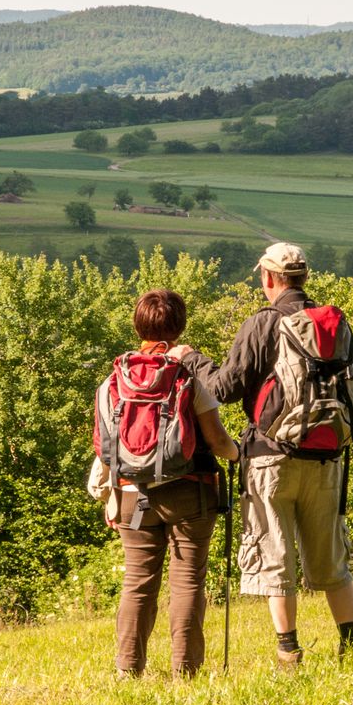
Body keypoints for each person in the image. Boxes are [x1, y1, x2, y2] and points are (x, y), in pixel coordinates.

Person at [173, 243, 353, 666]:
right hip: (327, 456)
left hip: (270, 458)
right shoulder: (335, 324)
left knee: (275, 552)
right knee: (331, 554)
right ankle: (350, 646)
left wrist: (192, 359)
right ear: (303, 278)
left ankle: (289, 651)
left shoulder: (263, 323)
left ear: (268, 278)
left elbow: (224, 389)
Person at [95, 289, 239, 678]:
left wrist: (109, 493)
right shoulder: (189, 378)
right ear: (180, 326)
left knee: (137, 583)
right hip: (189, 491)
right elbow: (219, 443)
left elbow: (104, 445)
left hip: (130, 493)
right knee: (187, 582)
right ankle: (186, 673)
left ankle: (128, 670)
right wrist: (242, 453)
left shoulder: (113, 381)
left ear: (137, 325)